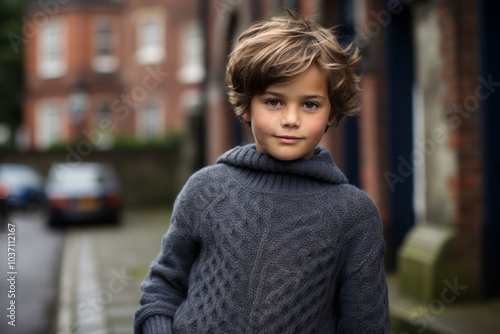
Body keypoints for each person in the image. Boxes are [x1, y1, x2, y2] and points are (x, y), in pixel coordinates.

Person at [135, 10, 390, 334]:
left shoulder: (354, 214)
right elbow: (162, 289)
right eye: (274, 102)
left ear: (332, 112)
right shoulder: (205, 190)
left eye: (310, 104)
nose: (291, 119)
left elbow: (366, 325)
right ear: (246, 105)